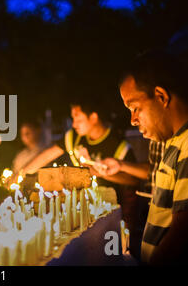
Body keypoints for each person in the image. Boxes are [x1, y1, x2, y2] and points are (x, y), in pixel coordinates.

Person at [17, 97, 141, 257]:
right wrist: (21, 173)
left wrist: (97, 172)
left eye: (78, 118)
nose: (74, 124)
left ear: (94, 117)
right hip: (80, 213)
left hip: (109, 215)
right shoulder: (75, 138)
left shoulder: (118, 146)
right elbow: (47, 155)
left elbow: (133, 180)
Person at [118, 50, 188, 265]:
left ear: (161, 96)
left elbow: (182, 233)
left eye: (135, 108)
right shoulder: (173, 143)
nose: (133, 120)